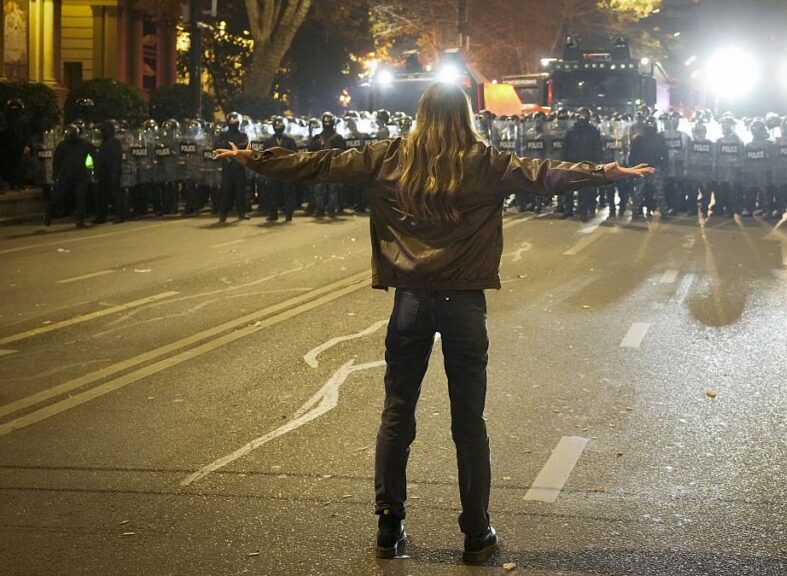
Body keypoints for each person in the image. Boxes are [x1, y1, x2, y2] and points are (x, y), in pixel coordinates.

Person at [213, 82, 653, 564]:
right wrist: (604, 172)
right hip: (464, 302)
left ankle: (388, 525)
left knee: (398, 411)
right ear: (464, 116)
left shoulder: (388, 157)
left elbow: (320, 164)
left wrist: (256, 158)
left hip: (411, 301)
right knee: (469, 420)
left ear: (421, 114)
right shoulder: (484, 161)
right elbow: (544, 174)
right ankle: (475, 531)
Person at [50, 125, 96, 228]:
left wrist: (55, 174)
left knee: (72, 196)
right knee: (78, 197)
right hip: (74, 173)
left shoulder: (65, 145)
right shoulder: (83, 144)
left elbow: (57, 160)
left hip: (71, 173)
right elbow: (95, 156)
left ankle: (50, 214)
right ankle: (51, 214)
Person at [562, 107, 604, 220]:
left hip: (585, 163)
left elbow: (597, 148)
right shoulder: (572, 131)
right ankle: (571, 210)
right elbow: (565, 148)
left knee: (582, 189)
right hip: (574, 163)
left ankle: (581, 211)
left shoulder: (592, 131)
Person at [215, 112, 250, 222]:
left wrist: (234, 152)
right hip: (228, 165)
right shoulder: (223, 135)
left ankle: (241, 212)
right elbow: (218, 147)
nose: (233, 123)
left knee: (240, 191)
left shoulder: (243, 135)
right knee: (225, 191)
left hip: (239, 166)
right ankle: (223, 214)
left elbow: (244, 148)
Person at [263, 116, 298, 222]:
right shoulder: (269, 141)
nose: (278, 127)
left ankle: (288, 214)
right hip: (273, 171)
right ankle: (273, 214)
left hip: (286, 171)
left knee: (288, 193)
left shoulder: (290, 140)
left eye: (280, 125)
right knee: (272, 193)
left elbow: (295, 155)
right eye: (276, 125)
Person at [94, 120, 124, 224]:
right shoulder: (105, 142)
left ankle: (120, 215)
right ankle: (101, 216)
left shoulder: (113, 142)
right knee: (102, 195)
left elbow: (115, 159)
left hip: (111, 172)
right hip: (104, 172)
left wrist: (114, 173)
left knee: (115, 194)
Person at [2, 99, 32, 191]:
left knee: (18, 165)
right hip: (7, 145)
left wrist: (27, 145)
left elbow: (27, 133)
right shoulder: (6, 118)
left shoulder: (24, 119)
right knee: (8, 165)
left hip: (19, 145)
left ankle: (16, 184)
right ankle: (10, 183)